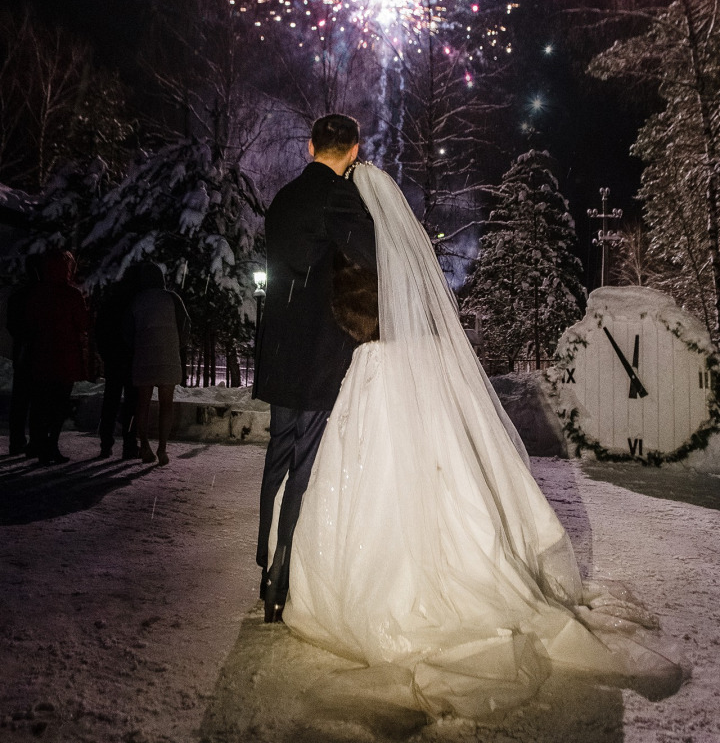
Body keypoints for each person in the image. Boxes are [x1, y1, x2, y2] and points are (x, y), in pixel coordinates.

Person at [283, 163, 685, 719]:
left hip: (375, 368)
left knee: (374, 473)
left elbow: (354, 317)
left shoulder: (351, 252)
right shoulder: (397, 250)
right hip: (416, 365)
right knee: (436, 466)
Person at [253, 114, 377, 623]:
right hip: (320, 349)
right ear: (352, 151)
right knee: (305, 464)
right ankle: (281, 580)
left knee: (277, 456)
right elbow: (370, 261)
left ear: (309, 148)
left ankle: (264, 564)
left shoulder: (282, 199)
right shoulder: (344, 198)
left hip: (279, 344)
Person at [25, 248, 89, 465]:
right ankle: (51, 444)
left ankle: (41, 444)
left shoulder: (37, 293)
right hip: (65, 359)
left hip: (41, 356)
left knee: (42, 403)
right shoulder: (72, 295)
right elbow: (82, 324)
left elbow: (30, 324)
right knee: (58, 405)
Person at [125, 261, 189, 467]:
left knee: (142, 403)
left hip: (144, 355)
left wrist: (136, 346)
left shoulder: (137, 300)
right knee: (166, 404)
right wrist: (177, 344)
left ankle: (144, 445)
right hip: (168, 355)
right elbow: (185, 325)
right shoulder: (172, 299)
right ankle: (162, 448)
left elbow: (127, 330)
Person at [96, 267, 141, 460]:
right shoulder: (136, 303)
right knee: (132, 403)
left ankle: (106, 443)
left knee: (110, 401)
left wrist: (106, 354)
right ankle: (129, 443)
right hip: (130, 359)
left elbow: (100, 330)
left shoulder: (110, 302)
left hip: (114, 359)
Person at [6, 261, 38, 456]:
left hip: (22, 351)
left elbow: (12, 324)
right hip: (36, 350)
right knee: (36, 398)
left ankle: (16, 440)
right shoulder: (40, 296)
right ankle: (33, 440)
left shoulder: (18, 295)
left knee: (20, 398)